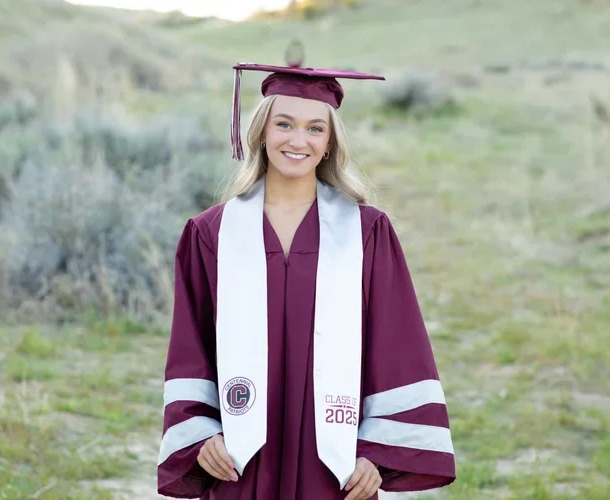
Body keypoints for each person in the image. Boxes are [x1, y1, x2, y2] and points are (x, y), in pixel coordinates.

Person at [156, 57, 456, 500]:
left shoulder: (366, 231)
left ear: (331, 142)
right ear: (261, 132)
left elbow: (395, 343)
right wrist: (200, 432)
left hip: (334, 455)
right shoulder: (211, 233)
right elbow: (190, 344)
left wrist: (374, 450)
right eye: (285, 124)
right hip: (241, 455)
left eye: (316, 128)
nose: (299, 140)